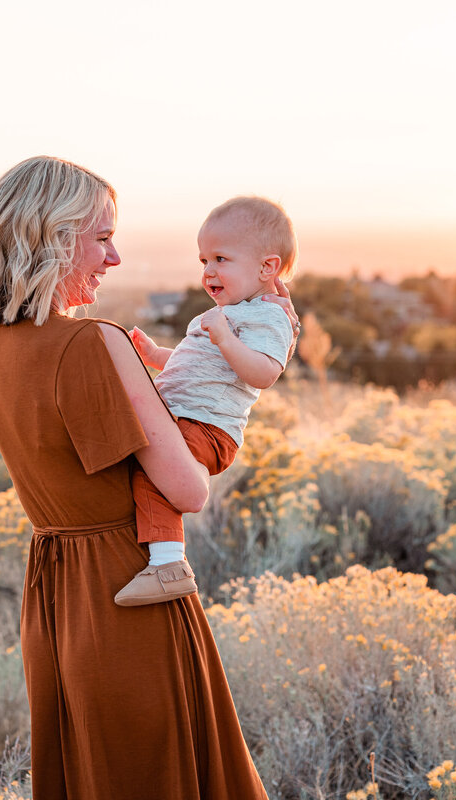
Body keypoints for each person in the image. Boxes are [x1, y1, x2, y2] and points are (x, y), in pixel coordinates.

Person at [0, 156, 290, 800]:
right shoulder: (92, 342)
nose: (113, 259)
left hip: (54, 594)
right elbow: (188, 489)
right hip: (130, 583)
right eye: (102, 238)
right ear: (54, 238)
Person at [115, 196, 298, 606]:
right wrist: (155, 356)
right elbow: (194, 367)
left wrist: (226, 337)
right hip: (185, 416)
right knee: (136, 462)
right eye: (203, 261)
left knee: (153, 471)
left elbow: (264, 373)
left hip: (208, 427)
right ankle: (146, 551)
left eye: (221, 258)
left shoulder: (267, 318)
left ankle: (168, 565)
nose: (209, 271)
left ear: (267, 267)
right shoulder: (221, 314)